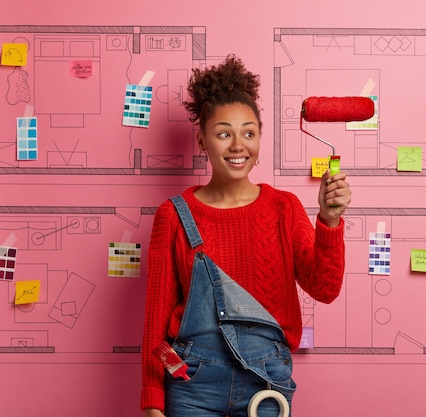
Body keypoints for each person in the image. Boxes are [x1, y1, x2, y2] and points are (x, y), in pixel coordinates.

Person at [141, 54, 351, 417]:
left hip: (265, 380)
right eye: (224, 133)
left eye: (248, 133)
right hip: (192, 385)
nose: (238, 145)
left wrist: (329, 222)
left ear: (259, 139)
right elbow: (156, 319)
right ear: (202, 140)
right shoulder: (173, 215)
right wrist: (152, 401)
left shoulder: (283, 208)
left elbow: (325, 288)